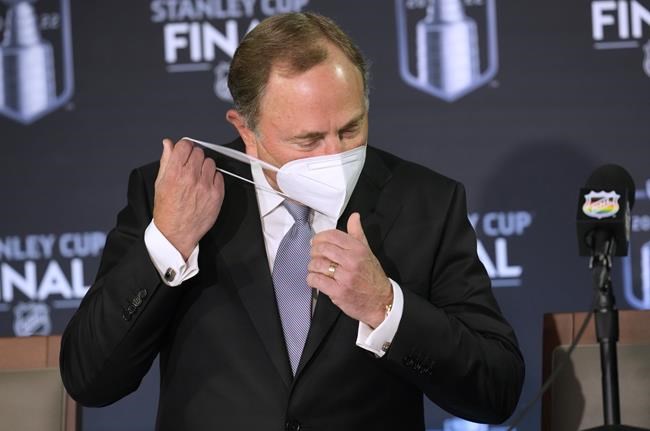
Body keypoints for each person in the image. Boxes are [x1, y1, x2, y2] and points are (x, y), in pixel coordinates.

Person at [60, 12, 524, 431]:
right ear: (245, 129)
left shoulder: (425, 202)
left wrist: (385, 307)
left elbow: (496, 389)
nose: (335, 154)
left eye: (351, 128)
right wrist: (169, 242)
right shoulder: (174, 193)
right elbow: (90, 379)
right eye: (308, 140)